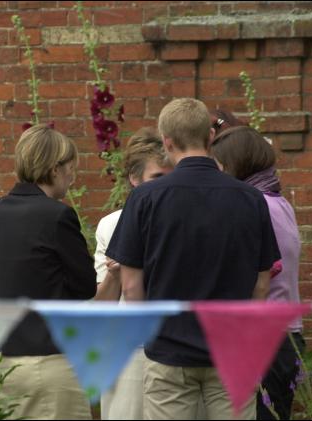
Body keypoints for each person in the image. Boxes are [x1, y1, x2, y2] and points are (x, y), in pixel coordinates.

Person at [106, 98, 281, 420]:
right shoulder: (250, 199)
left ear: (167, 142)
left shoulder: (145, 197)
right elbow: (261, 283)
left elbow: (131, 287)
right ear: (210, 137)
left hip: (168, 350)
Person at [0, 124, 96, 420]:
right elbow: (86, 286)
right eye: (71, 167)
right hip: (51, 361)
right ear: (55, 168)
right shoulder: (57, 215)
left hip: (6, 364)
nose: (72, 176)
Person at [210, 125, 305, 421]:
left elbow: (248, 273)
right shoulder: (279, 201)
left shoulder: (255, 206)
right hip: (287, 332)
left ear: (232, 165)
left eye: (217, 166)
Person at [93, 127, 173, 420]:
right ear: (134, 179)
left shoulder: (185, 219)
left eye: (170, 176)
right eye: (157, 178)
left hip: (177, 349)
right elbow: (102, 307)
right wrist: (114, 274)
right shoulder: (111, 225)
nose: (166, 186)